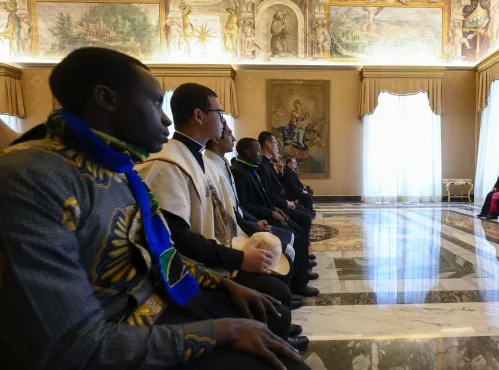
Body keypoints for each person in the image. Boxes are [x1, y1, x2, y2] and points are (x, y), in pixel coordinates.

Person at [0, 47, 307, 370]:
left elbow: (162, 255)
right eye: (155, 103)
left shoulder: (116, 167)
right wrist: (221, 331)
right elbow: (72, 344)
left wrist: (226, 285)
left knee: (270, 320)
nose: (164, 118)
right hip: (118, 334)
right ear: (107, 99)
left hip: (158, 301)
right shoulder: (34, 177)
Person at [135, 83, 308, 350]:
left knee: (278, 288)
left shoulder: (200, 159)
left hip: (214, 256)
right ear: (199, 115)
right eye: (220, 112)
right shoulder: (166, 164)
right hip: (192, 270)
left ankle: (275, 337)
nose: (224, 121)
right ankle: (271, 340)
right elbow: (175, 240)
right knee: (276, 296)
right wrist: (239, 258)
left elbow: (223, 210)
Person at [204, 120, 305, 311]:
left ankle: (289, 293)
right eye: (229, 133)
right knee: (288, 246)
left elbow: (239, 205)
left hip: (249, 221)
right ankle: (284, 299)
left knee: (293, 237)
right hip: (235, 234)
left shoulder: (223, 164)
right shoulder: (217, 167)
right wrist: (255, 224)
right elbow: (233, 209)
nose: (233, 138)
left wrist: (271, 212)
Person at [231, 138, 319, 297]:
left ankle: (300, 274)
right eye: (257, 151)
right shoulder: (240, 171)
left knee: (299, 227)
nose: (259, 155)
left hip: (267, 211)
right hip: (259, 217)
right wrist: (271, 212)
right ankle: (297, 283)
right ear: (247, 152)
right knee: (296, 233)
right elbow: (245, 204)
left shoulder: (251, 168)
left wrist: (276, 208)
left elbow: (265, 195)